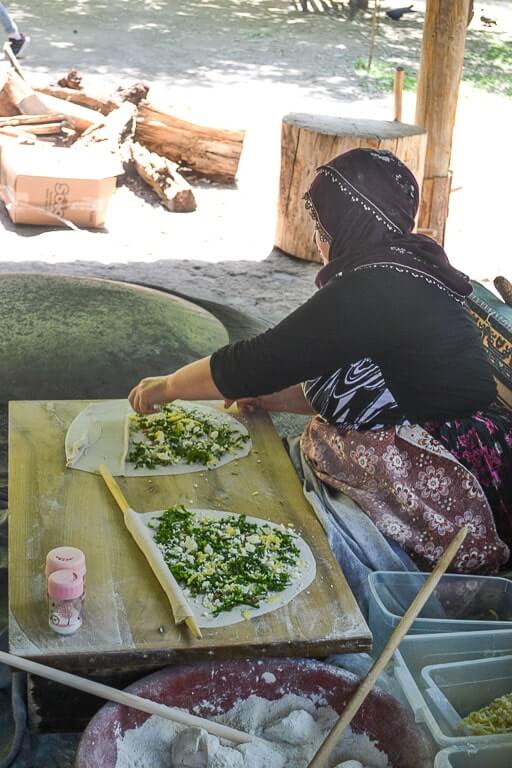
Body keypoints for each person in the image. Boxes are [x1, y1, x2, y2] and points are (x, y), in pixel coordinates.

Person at [128, 148, 512, 575]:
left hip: (448, 470)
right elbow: (377, 385)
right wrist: (275, 399)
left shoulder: (377, 284)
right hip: (435, 434)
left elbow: (259, 360)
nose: (317, 237)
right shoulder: (400, 266)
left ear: (348, 222)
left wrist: (167, 387)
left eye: (321, 224)